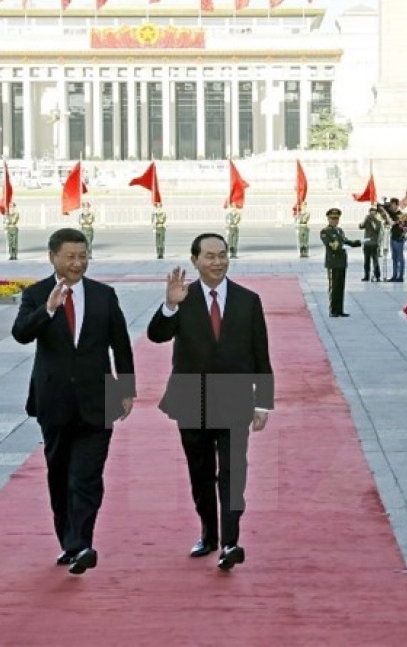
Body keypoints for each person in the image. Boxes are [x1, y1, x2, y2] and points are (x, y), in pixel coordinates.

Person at [11, 228, 136, 575]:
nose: (77, 263)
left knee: (86, 476)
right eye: (70, 257)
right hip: (54, 402)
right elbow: (21, 334)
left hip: (98, 401)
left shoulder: (103, 295)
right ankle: (69, 540)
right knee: (60, 475)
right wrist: (47, 310)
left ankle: (82, 544)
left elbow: (121, 345)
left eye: (83, 256)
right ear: (53, 257)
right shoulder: (36, 294)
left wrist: (126, 389)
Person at [147, 233, 274, 571]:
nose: (217, 262)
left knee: (234, 472)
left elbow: (261, 354)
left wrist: (263, 402)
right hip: (191, 399)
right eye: (209, 256)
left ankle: (231, 541)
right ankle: (209, 533)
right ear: (195, 260)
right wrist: (170, 306)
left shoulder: (249, 300)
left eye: (222, 255)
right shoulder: (182, 298)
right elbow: (156, 335)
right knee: (201, 472)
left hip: (234, 399)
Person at [320, 207, 361, 318]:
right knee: (334, 287)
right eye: (332, 218)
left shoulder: (339, 231)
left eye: (336, 219)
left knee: (341, 286)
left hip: (342, 262)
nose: (335, 221)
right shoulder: (325, 231)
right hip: (333, 262)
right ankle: (333, 310)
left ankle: (340, 309)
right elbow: (331, 245)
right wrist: (341, 246)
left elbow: (346, 241)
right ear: (328, 219)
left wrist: (358, 243)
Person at [380, 198, 406, 282]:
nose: (391, 206)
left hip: (399, 239)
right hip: (393, 237)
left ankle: (400, 276)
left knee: (400, 258)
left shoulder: (400, 215)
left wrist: (386, 214)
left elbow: (392, 223)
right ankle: (394, 275)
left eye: (392, 204)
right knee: (394, 258)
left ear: (396, 204)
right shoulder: (392, 213)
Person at [358, 206, 382, 282]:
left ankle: (377, 276)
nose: (371, 215)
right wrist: (365, 219)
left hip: (374, 243)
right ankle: (366, 276)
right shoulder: (367, 220)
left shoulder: (378, 221)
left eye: (373, 214)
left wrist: (373, 219)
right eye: (370, 213)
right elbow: (361, 226)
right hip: (367, 243)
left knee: (375, 260)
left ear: (375, 214)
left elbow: (376, 229)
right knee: (366, 261)